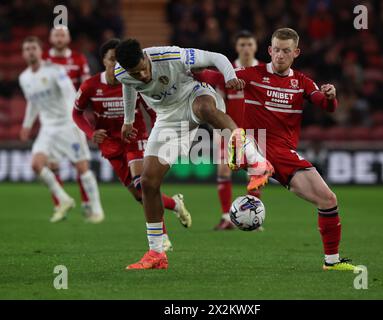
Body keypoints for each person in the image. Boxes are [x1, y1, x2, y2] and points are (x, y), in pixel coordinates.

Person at [114, 39, 274, 270]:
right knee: (148, 183)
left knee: (206, 109)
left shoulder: (170, 56)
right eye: (135, 73)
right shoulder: (123, 72)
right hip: (169, 118)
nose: (142, 75)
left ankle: (256, 161)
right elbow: (128, 86)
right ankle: (157, 253)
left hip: (194, 96)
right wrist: (128, 120)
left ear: (145, 56)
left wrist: (229, 77)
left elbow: (216, 57)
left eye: (143, 68)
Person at [234, 28, 356, 271]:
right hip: (263, 145)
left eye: (286, 51)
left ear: (296, 53)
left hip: (282, 153)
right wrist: (188, 70)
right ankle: (252, 165)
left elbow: (326, 106)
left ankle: (331, 262)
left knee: (327, 200)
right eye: (276, 50)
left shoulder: (301, 82)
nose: (280, 55)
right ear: (269, 50)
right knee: (328, 198)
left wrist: (330, 95)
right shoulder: (251, 74)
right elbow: (215, 77)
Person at [73, 39, 192, 251]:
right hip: (111, 146)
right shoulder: (90, 86)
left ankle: (162, 240)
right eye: (112, 60)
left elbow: (154, 109)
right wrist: (91, 133)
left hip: (135, 139)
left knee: (142, 184)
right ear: (104, 61)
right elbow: (76, 113)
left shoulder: (135, 81)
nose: (116, 65)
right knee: (139, 195)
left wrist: (160, 132)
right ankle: (175, 204)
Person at [19, 36, 104, 223]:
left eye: (33, 48)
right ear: (24, 54)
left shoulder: (55, 70)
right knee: (36, 165)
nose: (30, 51)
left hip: (67, 124)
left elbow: (70, 94)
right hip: (48, 128)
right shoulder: (24, 78)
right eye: (27, 49)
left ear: (41, 51)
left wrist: (74, 120)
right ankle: (64, 200)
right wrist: (27, 125)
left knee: (81, 167)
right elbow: (32, 103)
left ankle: (97, 209)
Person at [196, 30, 264, 230]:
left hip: (256, 130)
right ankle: (226, 216)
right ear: (236, 47)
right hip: (229, 129)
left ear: (255, 46)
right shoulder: (228, 71)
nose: (246, 48)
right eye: (242, 45)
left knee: (255, 171)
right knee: (224, 170)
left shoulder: (262, 71)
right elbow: (218, 102)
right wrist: (217, 130)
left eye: (249, 44)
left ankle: (254, 217)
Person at [42, 26, 93, 216]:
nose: (59, 37)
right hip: (52, 119)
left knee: (80, 162)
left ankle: (87, 203)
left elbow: (86, 86)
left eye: (62, 34)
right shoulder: (44, 60)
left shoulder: (79, 59)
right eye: (56, 34)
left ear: (68, 38)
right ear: (51, 38)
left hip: (73, 117)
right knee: (52, 163)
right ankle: (60, 204)